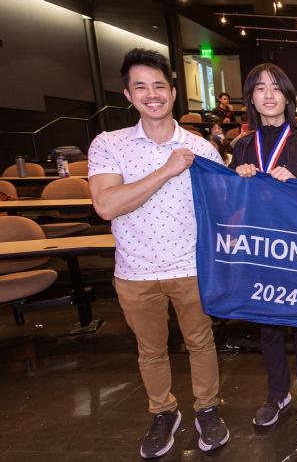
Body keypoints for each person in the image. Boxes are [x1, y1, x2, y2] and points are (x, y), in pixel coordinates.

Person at [87, 48, 229, 458]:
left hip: (191, 267)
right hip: (135, 271)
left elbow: (226, 209)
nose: (152, 95)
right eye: (141, 87)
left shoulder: (201, 148)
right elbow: (107, 205)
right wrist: (167, 169)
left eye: (159, 86)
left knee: (201, 343)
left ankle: (207, 408)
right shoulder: (108, 144)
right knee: (150, 349)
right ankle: (163, 411)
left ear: (173, 91)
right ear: (127, 95)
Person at [229, 63, 297, 427]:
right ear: (251, 98)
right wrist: (237, 181)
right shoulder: (240, 148)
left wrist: (296, 187)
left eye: (275, 88)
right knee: (267, 326)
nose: (268, 95)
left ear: (287, 96)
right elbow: (231, 207)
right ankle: (277, 393)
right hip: (258, 250)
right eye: (259, 89)